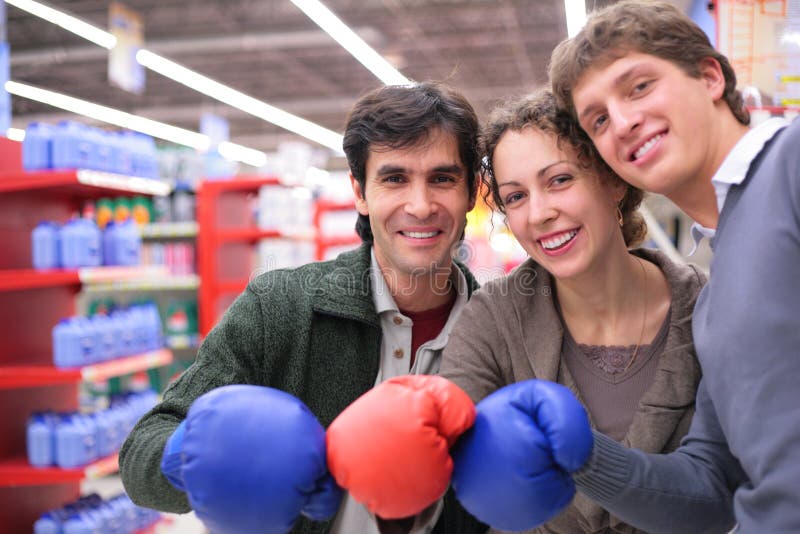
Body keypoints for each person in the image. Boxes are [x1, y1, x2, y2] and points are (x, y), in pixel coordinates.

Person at [450, 2, 800, 532]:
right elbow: (709, 486)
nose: (624, 121)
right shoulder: (716, 298)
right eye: (598, 119)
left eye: (638, 87)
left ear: (710, 75)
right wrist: (585, 455)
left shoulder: (790, 167)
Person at [119, 81, 488, 534]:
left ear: (472, 192)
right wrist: (193, 458)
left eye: (442, 178)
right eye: (394, 178)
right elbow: (141, 454)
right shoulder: (280, 308)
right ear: (360, 191)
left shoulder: (501, 329)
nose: (420, 205)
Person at [435, 88, 705, 533]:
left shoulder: (706, 308)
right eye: (516, 197)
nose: (540, 213)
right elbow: (459, 460)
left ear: (614, 179)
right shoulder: (494, 318)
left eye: (559, 180)